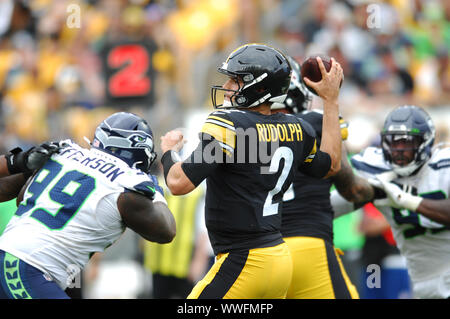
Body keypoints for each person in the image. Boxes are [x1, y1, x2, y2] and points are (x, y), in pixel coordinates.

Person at [159, 43, 344, 299]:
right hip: (278, 258)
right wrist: (331, 101)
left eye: (235, 81)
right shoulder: (298, 128)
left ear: (258, 87)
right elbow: (331, 165)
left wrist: (169, 151)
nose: (226, 87)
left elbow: (178, 183)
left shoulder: (228, 124)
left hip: (243, 260)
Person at [0, 112, 176, 299]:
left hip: (12, 258)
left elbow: (8, 192)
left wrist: (19, 160)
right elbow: (167, 231)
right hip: (26, 268)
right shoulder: (126, 184)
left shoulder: (62, 153)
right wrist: (155, 190)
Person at [331, 105, 450, 299]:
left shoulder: (444, 166)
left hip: (398, 259)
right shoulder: (375, 168)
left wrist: (407, 200)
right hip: (409, 277)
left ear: (425, 142)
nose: (398, 150)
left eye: (406, 142)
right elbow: (330, 204)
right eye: (393, 142)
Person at [270, 56, 362, 299]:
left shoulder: (242, 133)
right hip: (307, 243)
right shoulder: (316, 123)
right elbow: (349, 187)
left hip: (260, 254)